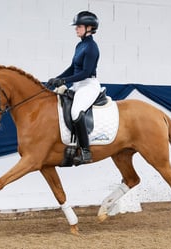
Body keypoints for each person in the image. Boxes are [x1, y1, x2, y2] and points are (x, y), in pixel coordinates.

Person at [48, 11, 101, 164]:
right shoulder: (80, 45)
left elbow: (85, 72)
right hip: (78, 84)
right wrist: (57, 79)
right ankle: (70, 143)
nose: (76, 29)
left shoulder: (92, 47)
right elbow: (73, 68)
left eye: (79, 26)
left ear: (89, 27)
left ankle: (85, 151)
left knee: (76, 111)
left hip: (89, 85)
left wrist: (64, 80)